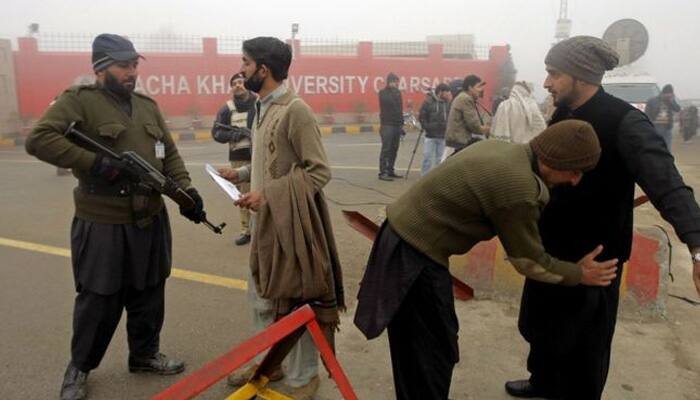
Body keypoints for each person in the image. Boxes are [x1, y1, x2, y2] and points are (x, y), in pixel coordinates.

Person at [355, 120, 619, 400]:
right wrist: (579, 274)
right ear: (553, 160)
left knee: (423, 347)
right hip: (413, 255)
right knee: (429, 353)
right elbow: (529, 262)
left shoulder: (505, 150)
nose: (576, 180)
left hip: (404, 239)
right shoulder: (519, 187)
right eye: (575, 171)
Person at [506, 36, 700, 400]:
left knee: (585, 348)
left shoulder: (625, 121)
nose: (546, 82)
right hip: (551, 248)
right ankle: (542, 381)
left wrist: (697, 244)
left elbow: (667, 185)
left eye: (554, 74)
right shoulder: (563, 113)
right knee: (541, 328)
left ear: (581, 77)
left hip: (596, 258)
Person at [25, 33, 206, 400]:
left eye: (135, 65)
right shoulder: (81, 102)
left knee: (150, 289)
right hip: (103, 220)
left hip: (149, 217)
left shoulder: (146, 106)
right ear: (102, 68)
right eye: (124, 65)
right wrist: (96, 163)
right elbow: (40, 138)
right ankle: (79, 367)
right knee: (99, 297)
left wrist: (187, 192)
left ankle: (144, 354)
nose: (132, 72)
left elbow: (167, 153)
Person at [216, 36, 344, 400]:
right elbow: (271, 163)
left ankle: (304, 377)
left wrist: (267, 195)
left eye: (245, 63)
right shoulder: (262, 108)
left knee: (293, 303)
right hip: (264, 223)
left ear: (263, 69)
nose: (240, 70)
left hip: (291, 226)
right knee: (261, 299)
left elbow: (318, 172)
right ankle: (267, 366)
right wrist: (239, 176)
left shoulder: (295, 110)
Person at [211, 72, 256, 245]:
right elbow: (216, 132)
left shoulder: (259, 103)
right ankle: (247, 231)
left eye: (241, 82)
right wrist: (233, 135)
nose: (238, 85)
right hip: (239, 159)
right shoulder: (227, 109)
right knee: (243, 196)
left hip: (260, 156)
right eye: (234, 83)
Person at [445, 74, 491, 154]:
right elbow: (474, 126)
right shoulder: (466, 99)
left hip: (456, 142)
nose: (481, 90)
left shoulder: (462, 97)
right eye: (478, 87)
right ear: (470, 88)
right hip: (458, 144)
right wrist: (488, 130)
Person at [418, 83, 451, 175]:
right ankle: (424, 177)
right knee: (427, 157)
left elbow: (451, 117)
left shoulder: (448, 103)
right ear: (440, 92)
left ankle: (437, 177)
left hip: (443, 136)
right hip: (430, 136)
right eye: (446, 92)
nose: (448, 94)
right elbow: (422, 117)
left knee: (441, 159)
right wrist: (426, 127)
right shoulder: (428, 102)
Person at [378, 72, 404, 181]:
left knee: (394, 148)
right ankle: (382, 172)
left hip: (396, 124)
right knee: (386, 149)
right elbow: (388, 102)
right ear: (389, 82)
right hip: (387, 125)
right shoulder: (383, 93)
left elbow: (399, 109)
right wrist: (393, 91)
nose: (396, 84)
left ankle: (390, 170)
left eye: (397, 82)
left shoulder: (398, 93)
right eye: (394, 82)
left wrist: (401, 124)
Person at [645, 84, 681, 150]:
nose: (668, 97)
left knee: (667, 148)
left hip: (667, 127)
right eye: (667, 95)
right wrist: (650, 125)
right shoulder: (652, 101)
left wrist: (672, 101)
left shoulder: (671, 101)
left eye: (670, 95)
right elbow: (647, 114)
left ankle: (665, 159)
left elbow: (677, 109)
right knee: (655, 146)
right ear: (663, 93)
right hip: (656, 126)